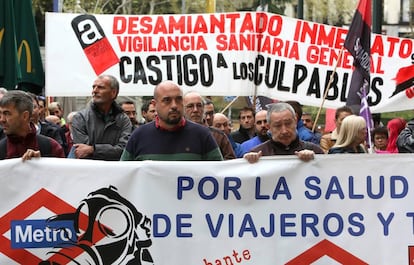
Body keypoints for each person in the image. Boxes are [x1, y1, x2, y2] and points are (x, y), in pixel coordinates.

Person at [120, 81, 223, 161]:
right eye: (167, 100)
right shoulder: (139, 136)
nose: (174, 105)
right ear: (155, 104)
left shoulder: (202, 135)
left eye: (178, 99)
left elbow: (219, 176)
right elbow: (124, 176)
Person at [71, 75, 131, 160]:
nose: (94, 91)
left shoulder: (123, 120)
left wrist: (92, 149)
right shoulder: (80, 118)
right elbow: (82, 152)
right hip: (88, 171)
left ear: (113, 93)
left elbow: (125, 151)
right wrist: (110, 150)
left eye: (100, 87)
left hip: (115, 171)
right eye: (94, 87)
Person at [243, 102, 323, 163]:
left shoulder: (315, 151)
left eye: (288, 123)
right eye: (278, 125)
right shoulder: (258, 154)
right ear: (268, 127)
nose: (284, 131)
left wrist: (315, 160)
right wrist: (248, 163)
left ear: (295, 121)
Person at [0, 91, 65, 160]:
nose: (2, 120)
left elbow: (61, 169)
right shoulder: (1, 149)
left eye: (7, 114)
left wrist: (41, 163)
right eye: (0, 114)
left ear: (25, 116)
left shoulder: (51, 147)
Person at [183, 91, 235, 160]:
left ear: (203, 108)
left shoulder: (219, 136)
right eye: (190, 106)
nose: (195, 110)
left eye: (199, 105)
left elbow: (231, 164)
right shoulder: (174, 134)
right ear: (182, 109)